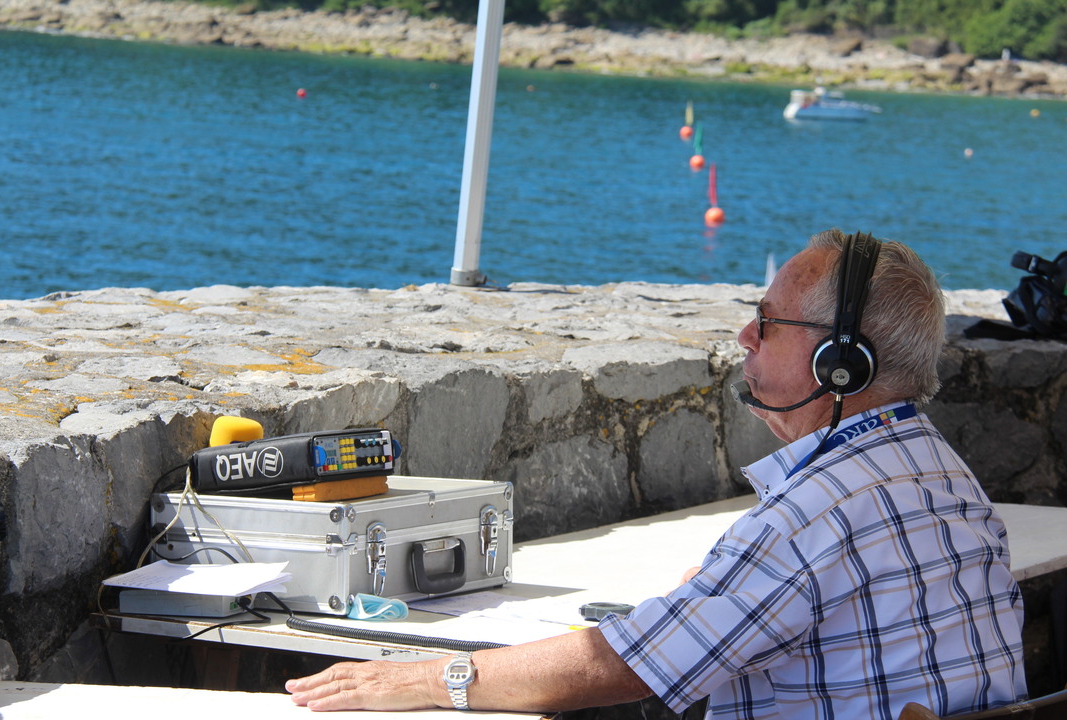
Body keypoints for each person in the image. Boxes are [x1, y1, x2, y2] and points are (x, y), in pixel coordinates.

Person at [285, 229, 1026, 718]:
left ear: (842, 362)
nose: (745, 335)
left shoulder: (815, 515)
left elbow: (623, 665)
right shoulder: (945, 476)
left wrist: (425, 680)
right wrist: (720, 592)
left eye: (769, 322)